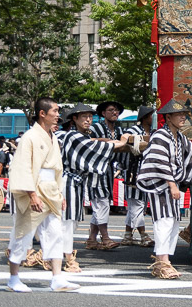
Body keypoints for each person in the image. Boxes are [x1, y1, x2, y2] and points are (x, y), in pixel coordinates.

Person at [5, 98, 79, 293]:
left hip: (51, 190)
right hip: (35, 189)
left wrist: (60, 194)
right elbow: (22, 167)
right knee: (23, 234)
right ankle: (13, 278)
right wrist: (32, 194)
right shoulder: (30, 137)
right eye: (54, 111)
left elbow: (57, 169)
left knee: (56, 234)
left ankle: (57, 277)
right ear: (42, 113)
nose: (58, 114)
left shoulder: (52, 136)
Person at [137, 99, 192, 280]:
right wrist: (172, 184)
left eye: (184, 115)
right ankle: (161, 263)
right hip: (160, 186)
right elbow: (159, 161)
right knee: (163, 223)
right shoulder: (160, 136)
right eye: (179, 115)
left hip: (170, 186)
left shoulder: (179, 137)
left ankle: (165, 262)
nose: (183, 117)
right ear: (168, 117)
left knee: (172, 223)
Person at [56, 104, 131, 273]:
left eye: (90, 116)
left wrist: (115, 142)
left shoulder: (83, 135)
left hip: (76, 182)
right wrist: (121, 143)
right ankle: (68, 258)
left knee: (71, 221)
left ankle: (55, 254)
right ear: (74, 119)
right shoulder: (73, 136)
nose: (88, 120)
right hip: (67, 181)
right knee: (67, 221)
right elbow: (95, 147)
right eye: (83, 117)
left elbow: (96, 143)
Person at [88, 99, 129, 250]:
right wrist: (105, 141)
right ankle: (105, 238)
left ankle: (92, 239)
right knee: (102, 203)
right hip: (96, 170)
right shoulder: (96, 127)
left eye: (116, 110)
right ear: (103, 113)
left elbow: (120, 151)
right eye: (111, 110)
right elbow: (88, 141)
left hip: (109, 171)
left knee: (101, 204)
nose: (115, 112)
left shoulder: (118, 130)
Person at [120, 104, 155, 246]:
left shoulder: (153, 131)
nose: (154, 118)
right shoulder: (133, 130)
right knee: (137, 204)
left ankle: (128, 235)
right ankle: (143, 235)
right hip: (133, 172)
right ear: (145, 117)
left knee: (137, 205)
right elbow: (124, 137)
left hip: (146, 172)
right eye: (152, 115)